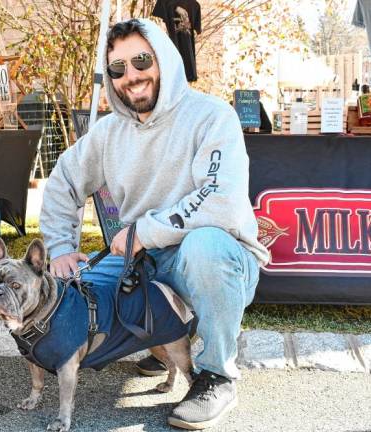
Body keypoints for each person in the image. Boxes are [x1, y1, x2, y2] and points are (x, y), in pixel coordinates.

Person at [40, 19, 269, 430]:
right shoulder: (108, 132)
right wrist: (59, 247)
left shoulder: (212, 116)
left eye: (142, 60)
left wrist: (144, 231)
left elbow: (220, 199)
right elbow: (62, 182)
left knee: (204, 249)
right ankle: (159, 338)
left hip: (215, 257)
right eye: (118, 68)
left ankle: (217, 375)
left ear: (164, 59)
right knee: (78, 300)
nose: (131, 75)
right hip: (140, 260)